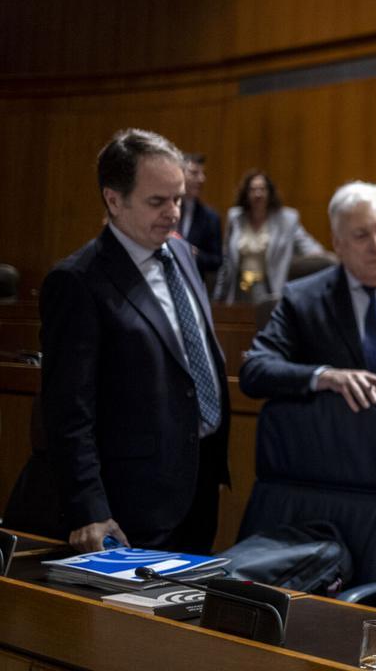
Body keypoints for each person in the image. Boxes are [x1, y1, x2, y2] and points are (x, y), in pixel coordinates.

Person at [40, 129, 231, 553]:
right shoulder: (77, 280)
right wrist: (89, 507)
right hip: (132, 501)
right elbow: (68, 410)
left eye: (178, 199)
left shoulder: (182, 254)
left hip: (198, 485)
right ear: (114, 200)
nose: (173, 213)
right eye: (157, 201)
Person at [239, 180, 376, 448]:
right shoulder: (303, 299)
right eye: (361, 236)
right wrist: (324, 377)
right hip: (333, 453)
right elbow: (255, 370)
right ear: (337, 243)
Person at [213, 170, 326, 303]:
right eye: (253, 190)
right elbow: (226, 260)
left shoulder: (286, 220)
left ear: (269, 192)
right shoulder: (235, 218)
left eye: (262, 189)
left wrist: (318, 254)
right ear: (246, 193)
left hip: (269, 290)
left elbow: (307, 245)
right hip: (238, 290)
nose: (258, 194)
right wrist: (218, 296)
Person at [180, 152, 222, 280]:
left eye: (203, 174)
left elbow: (216, 261)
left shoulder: (211, 217)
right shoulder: (163, 210)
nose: (201, 179)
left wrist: (195, 254)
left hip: (193, 282)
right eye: (194, 173)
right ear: (179, 174)